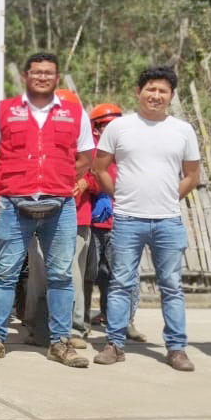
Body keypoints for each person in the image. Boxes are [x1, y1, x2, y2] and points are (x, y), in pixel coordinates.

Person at [0, 51, 94, 368]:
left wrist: (62, 179)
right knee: (4, 273)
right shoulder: (3, 111)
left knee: (61, 275)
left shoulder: (73, 111)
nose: (42, 77)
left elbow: (86, 156)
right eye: (36, 71)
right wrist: (13, 179)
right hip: (13, 204)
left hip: (60, 205)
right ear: (26, 76)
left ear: (56, 77)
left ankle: (60, 342)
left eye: (48, 72)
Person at [91, 66, 201, 370]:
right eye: (150, 89)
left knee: (172, 286)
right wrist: (121, 197)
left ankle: (176, 348)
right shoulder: (119, 128)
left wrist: (168, 197)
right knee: (121, 283)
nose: (156, 95)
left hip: (168, 220)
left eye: (163, 90)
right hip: (127, 219)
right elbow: (100, 168)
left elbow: (192, 175)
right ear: (138, 92)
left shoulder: (183, 130)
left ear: (171, 96)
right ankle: (114, 343)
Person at [83, 103, 122, 334]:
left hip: (121, 221)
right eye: (104, 125)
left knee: (118, 274)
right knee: (91, 273)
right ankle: (84, 321)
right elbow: (85, 176)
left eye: (113, 124)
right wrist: (99, 192)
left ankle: (120, 319)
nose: (108, 129)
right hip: (94, 221)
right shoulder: (91, 151)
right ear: (95, 128)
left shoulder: (127, 149)